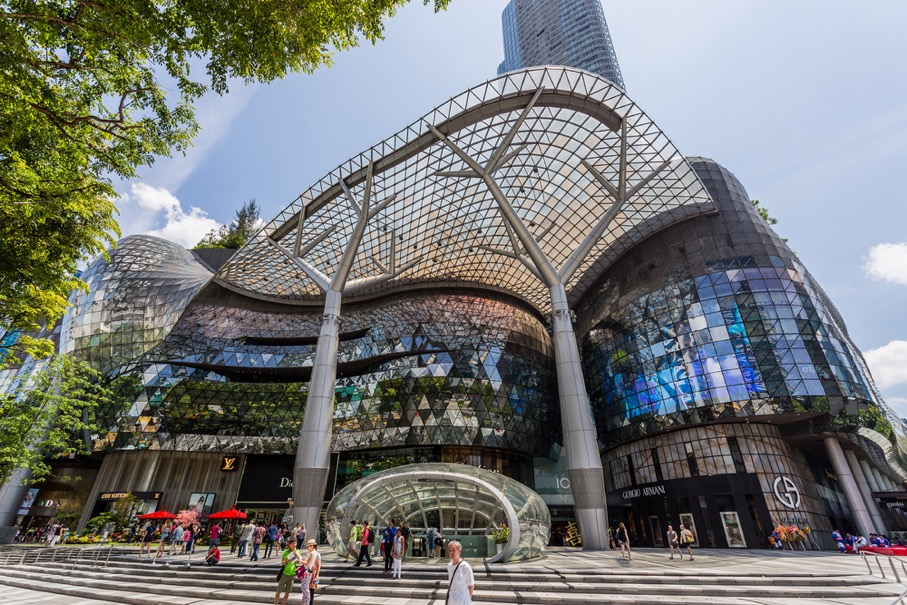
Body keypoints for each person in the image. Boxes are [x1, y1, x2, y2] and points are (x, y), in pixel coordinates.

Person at [274, 536, 302, 605]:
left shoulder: (297, 551)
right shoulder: (286, 552)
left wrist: (297, 557)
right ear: (289, 544)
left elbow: (299, 561)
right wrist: (288, 560)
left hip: (292, 574)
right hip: (285, 573)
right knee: (278, 591)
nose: (294, 545)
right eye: (293, 543)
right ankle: (275, 603)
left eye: (295, 543)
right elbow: (283, 562)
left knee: (287, 592)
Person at [446, 540, 474, 605]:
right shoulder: (449, 566)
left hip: (463, 602)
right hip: (451, 601)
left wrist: (467, 600)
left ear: (459, 551)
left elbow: (471, 586)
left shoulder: (465, 566)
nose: (451, 552)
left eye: (453, 550)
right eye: (450, 550)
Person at [301, 539, 322, 605]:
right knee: (306, 591)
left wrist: (317, 575)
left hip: (313, 574)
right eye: (308, 546)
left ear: (313, 546)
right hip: (308, 573)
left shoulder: (317, 554)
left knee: (311, 590)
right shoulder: (309, 554)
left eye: (310, 546)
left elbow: (318, 565)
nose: (308, 547)